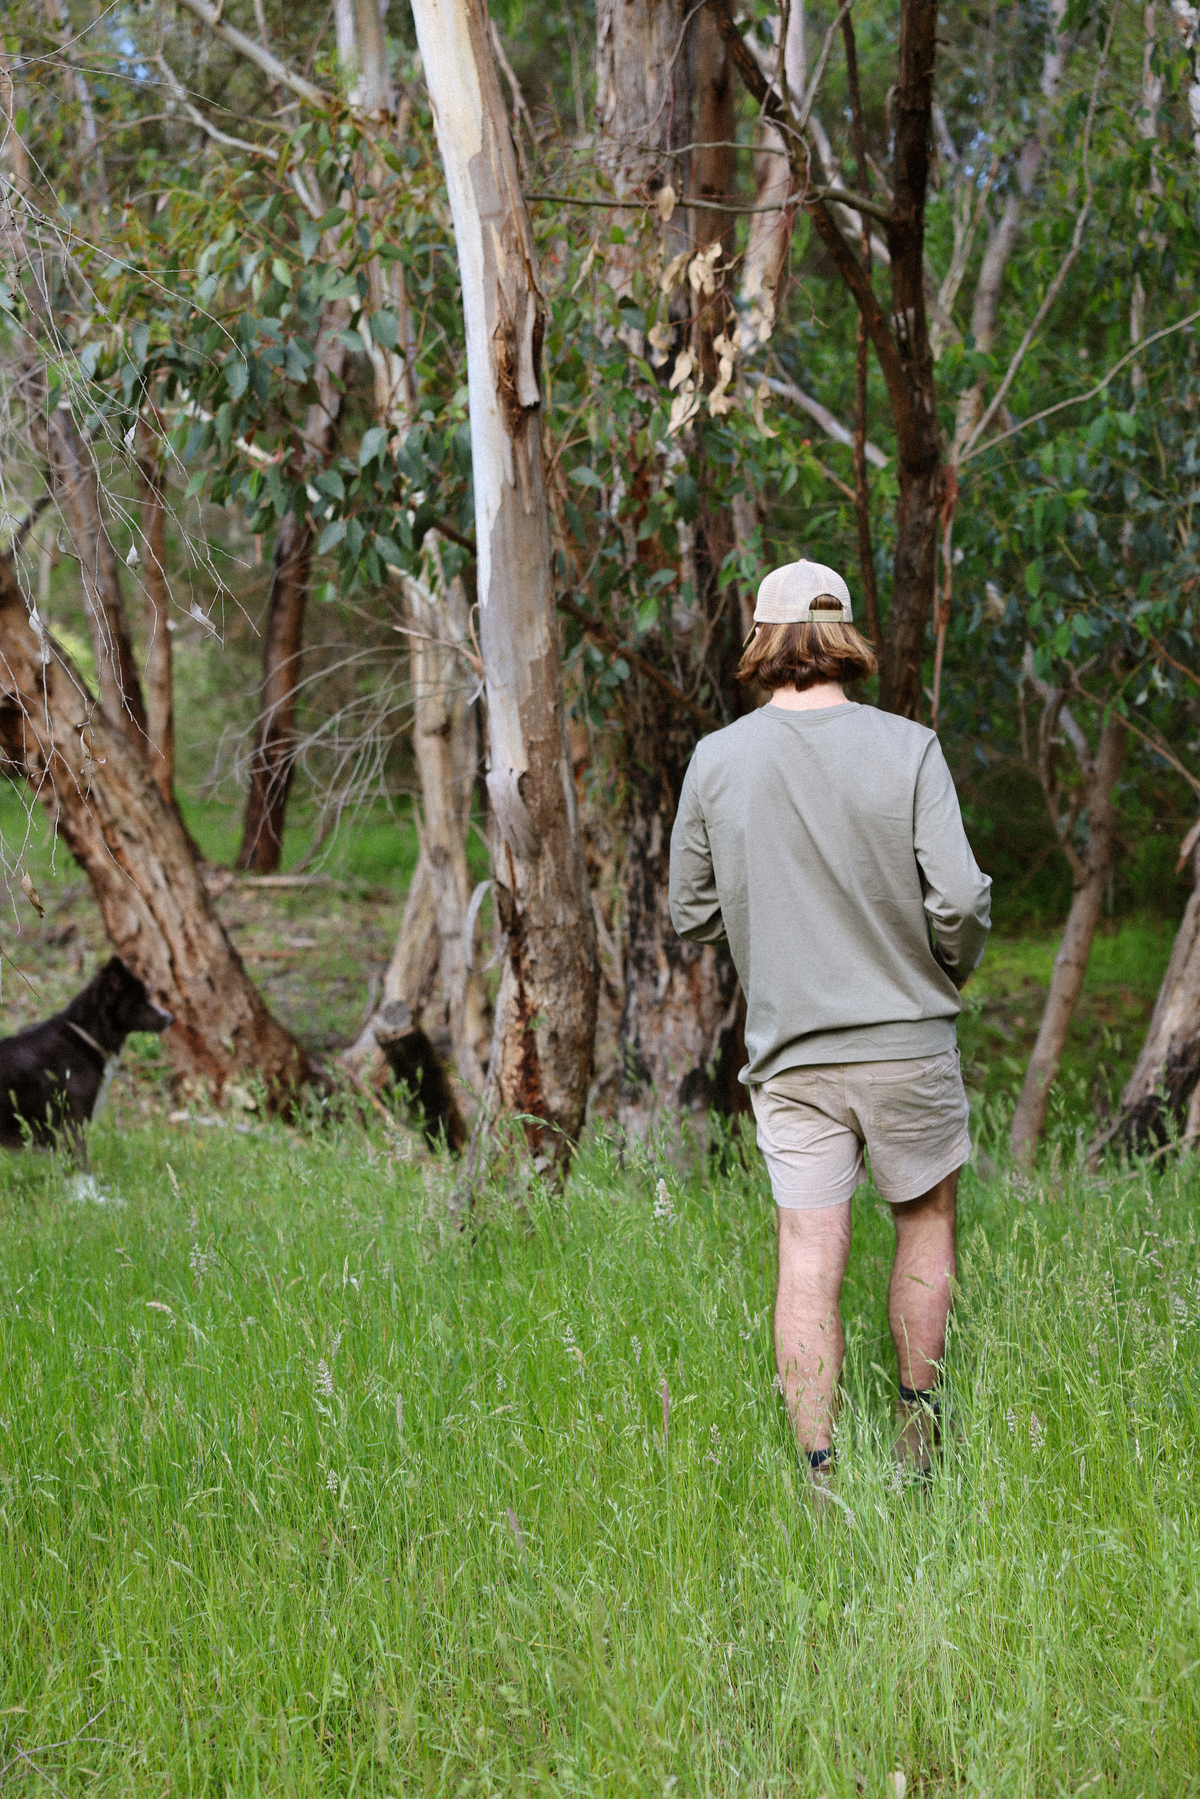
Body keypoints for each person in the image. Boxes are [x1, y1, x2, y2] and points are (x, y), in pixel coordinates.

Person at [668, 559, 991, 1493]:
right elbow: (962, 897)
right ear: (844, 633)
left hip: (790, 1055)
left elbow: (692, 910)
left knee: (808, 1254)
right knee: (924, 1223)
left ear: (764, 638)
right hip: (907, 1045)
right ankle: (918, 1444)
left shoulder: (718, 760)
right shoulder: (911, 748)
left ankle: (819, 1475)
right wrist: (945, 966)